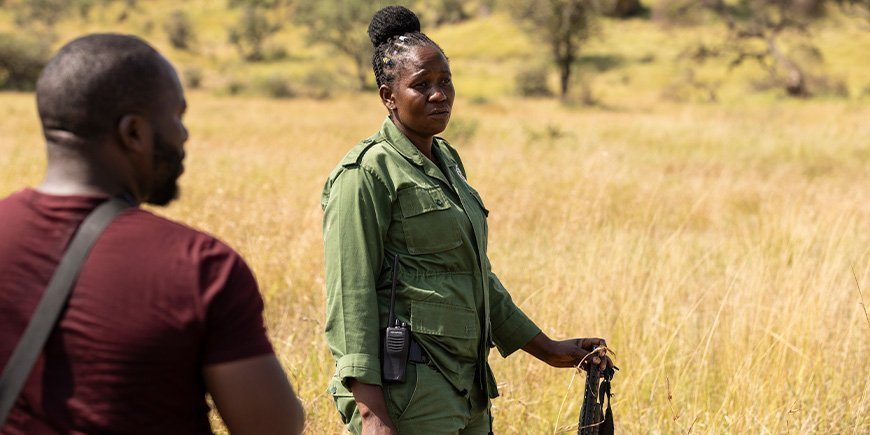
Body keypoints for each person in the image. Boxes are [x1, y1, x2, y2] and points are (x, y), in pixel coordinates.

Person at [321, 6, 613, 435]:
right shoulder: (366, 173)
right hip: (409, 391)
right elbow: (351, 296)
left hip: (468, 386)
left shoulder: (448, 161)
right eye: (422, 85)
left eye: (445, 81)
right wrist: (372, 415)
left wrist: (547, 348)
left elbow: (475, 277)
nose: (439, 95)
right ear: (388, 96)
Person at [0, 34, 304, 434]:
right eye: (177, 116)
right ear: (134, 133)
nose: (184, 134)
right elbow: (274, 427)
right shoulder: (200, 266)